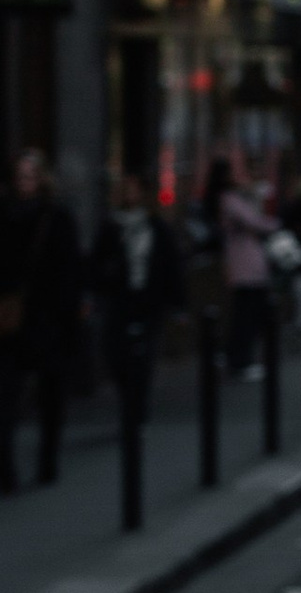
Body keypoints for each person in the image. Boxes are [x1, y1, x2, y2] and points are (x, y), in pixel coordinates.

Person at [0, 150, 85, 491]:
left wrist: (69, 317)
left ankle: (47, 462)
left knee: (50, 396)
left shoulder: (57, 218)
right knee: (7, 398)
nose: (25, 183)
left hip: (46, 319)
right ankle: (7, 469)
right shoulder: (7, 216)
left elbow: (69, 273)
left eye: (30, 176)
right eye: (20, 176)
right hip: (12, 320)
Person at [90, 172, 186, 423]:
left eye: (134, 189)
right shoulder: (112, 226)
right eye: (126, 189)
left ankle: (137, 408)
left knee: (143, 357)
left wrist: (178, 303)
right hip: (119, 299)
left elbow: (170, 265)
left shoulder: (156, 227)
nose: (129, 194)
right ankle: (129, 399)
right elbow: (96, 264)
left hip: (149, 301)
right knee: (116, 354)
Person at [210, 155, 273, 375]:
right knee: (244, 316)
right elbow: (256, 222)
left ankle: (235, 356)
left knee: (245, 314)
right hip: (244, 267)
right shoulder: (231, 200)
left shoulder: (236, 198)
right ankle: (238, 359)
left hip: (248, 266)